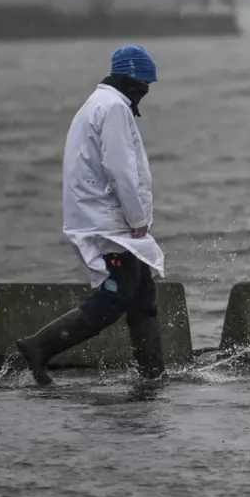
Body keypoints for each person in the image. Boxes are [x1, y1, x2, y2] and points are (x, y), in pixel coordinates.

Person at [17, 45, 165, 386]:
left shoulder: (97, 104)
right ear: (131, 80)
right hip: (109, 222)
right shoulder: (113, 107)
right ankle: (40, 345)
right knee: (116, 296)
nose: (145, 91)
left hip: (102, 216)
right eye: (144, 84)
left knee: (143, 296)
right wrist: (137, 218)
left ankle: (154, 374)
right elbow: (120, 168)